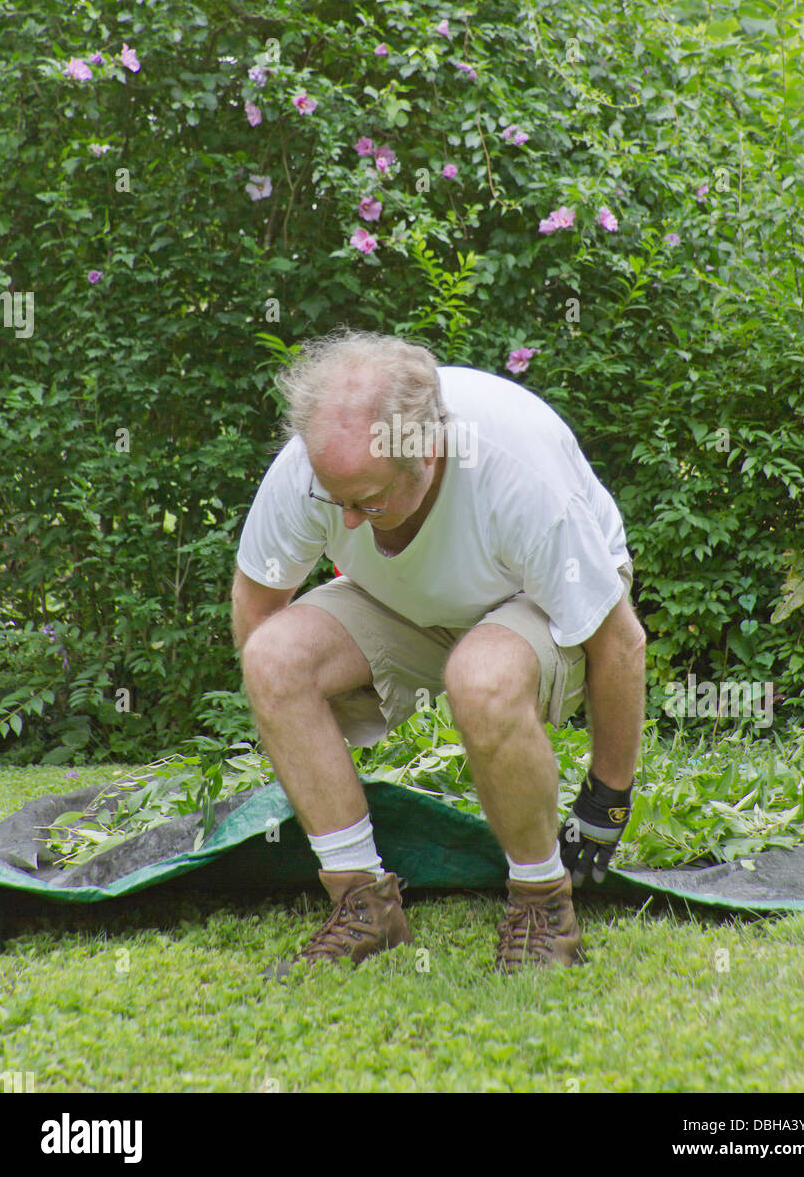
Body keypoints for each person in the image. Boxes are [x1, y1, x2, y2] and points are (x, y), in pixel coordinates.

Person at [232, 330, 646, 974]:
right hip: (405, 603)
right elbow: (257, 608)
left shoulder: (519, 474)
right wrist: (296, 741)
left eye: (366, 502)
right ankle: (363, 903)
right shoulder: (315, 467)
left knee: (480, 677)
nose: (345, 521)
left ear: (424, 452)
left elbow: (618, 640)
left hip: (532, 602)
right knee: (272, 656)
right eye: (333, 499)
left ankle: (543, 904)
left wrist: (607, 798)